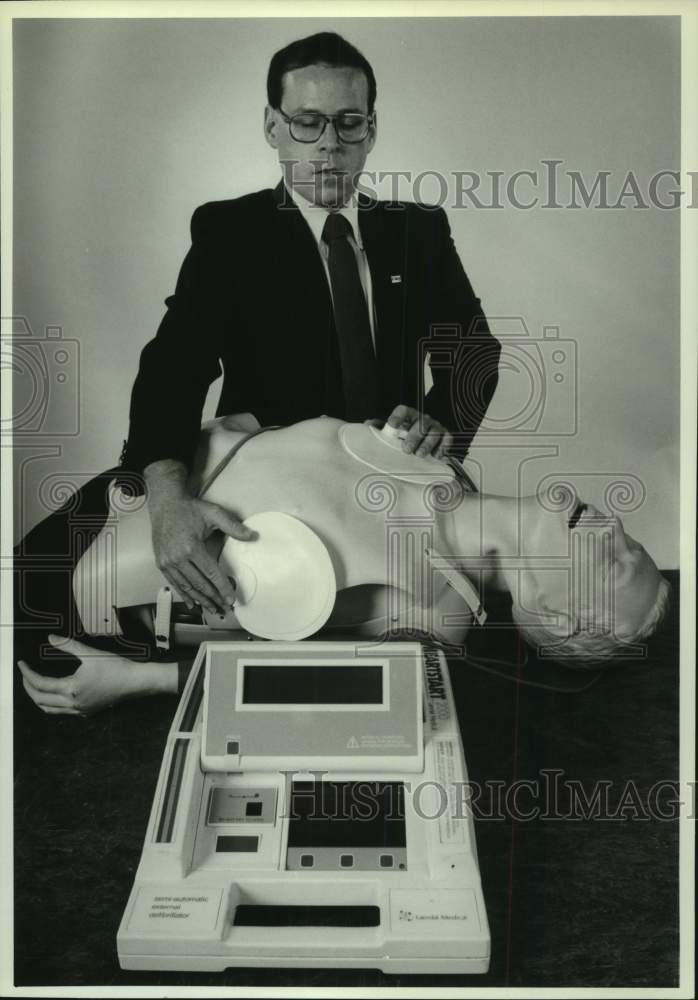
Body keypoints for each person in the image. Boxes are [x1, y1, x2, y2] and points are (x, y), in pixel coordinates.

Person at [119, 31, 501, 620]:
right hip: (275, 482)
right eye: (307, 122)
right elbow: (176, 364)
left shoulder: (417, 231)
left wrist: (440, 425)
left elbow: (474, 349)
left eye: (349, 123)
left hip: (392, 478)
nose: (329, 145)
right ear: (273, 127)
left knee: (448, 623)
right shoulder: (230, 232)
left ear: (371, 130)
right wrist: (166, 496)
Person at [17, 416, 670, 717]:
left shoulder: (434, 623)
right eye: (632, 541)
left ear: (552, 611)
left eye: (616, 564)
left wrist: (133, 682)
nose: (612, 528)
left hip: (79, 591)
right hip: (125, 493)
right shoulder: (435, 455)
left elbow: (303, 685)